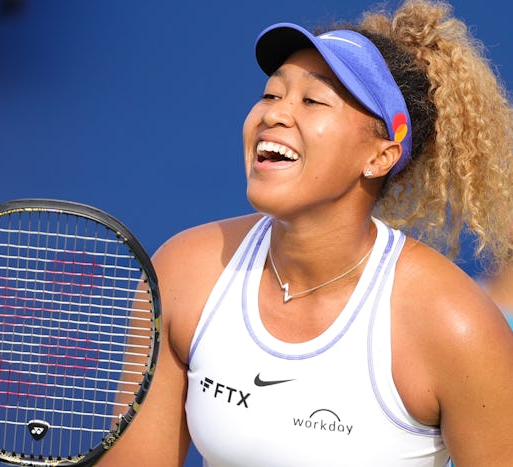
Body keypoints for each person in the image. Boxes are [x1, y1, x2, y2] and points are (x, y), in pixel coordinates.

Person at [100, 0, 513, 465]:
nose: (273, 115)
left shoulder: (457, 326)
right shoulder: (184, 271)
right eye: (271, 95)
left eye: (312, 100)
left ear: (380, 157)